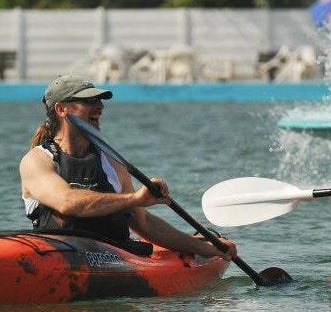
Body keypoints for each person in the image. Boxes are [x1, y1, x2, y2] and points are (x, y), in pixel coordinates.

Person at [20, 74, 236, 259]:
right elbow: (67, 202)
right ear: (61, 108)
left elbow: (143, 223)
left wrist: (205, 247)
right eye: (88, 101)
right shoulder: (38, 160)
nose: (100, 107)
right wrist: (135, 199)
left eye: (99, 100)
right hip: (59, 257)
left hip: (115, 258)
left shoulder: (111, 163)